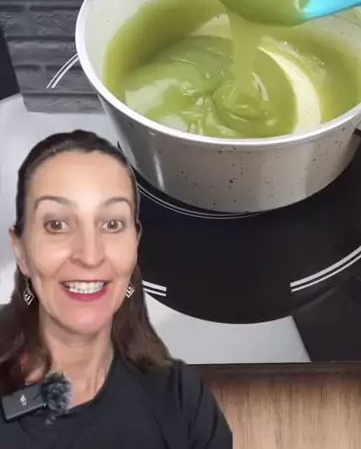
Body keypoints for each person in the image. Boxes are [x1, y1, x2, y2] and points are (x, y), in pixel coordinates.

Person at [0, 130, 232, 448]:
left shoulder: (180, 399)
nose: (90, 255)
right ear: (21, 251)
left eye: (112, 224)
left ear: (134, 244)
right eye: (57, 224)